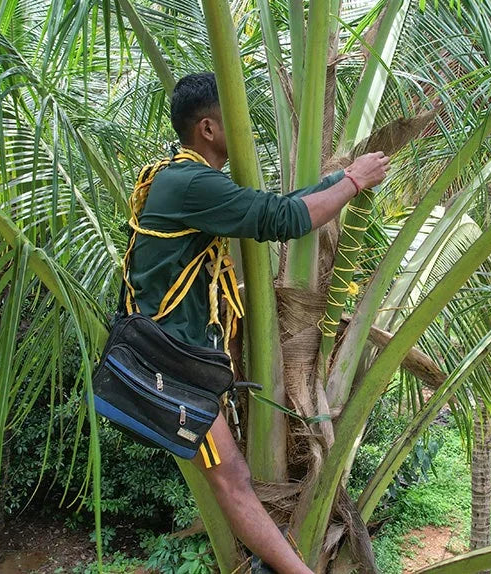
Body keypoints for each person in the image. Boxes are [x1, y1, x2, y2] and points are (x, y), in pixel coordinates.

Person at [127, 72, 389, 573]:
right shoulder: (193, 184)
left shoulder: (179, 177)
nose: (247, 125)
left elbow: (279, 208)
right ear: (207, 128)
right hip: (175, 365)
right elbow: (283, 220)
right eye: (236, 116)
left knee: (233, 479)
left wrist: (344, 180)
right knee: (234, 482)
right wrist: (353, 180)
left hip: (180, 357)